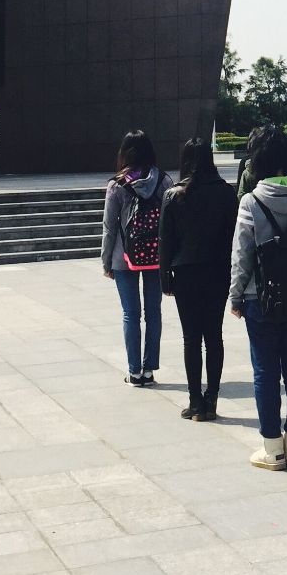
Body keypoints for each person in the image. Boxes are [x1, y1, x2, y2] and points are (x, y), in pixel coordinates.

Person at [230, 127, 287, 470]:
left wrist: (235, 296)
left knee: (265, 372)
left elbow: (242, 256)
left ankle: (272, 449)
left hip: (260, 299)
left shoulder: (250, 201)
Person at [160, 137, 238, 420]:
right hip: (218, 270)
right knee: (214, 336)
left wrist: (164, 278)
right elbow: (234, 237)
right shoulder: (226, 193)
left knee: (191, 338)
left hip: (186, 271)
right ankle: (212, 398)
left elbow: (165, 240)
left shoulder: (174, 195)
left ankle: (195, 401)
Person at [101, 130, 169, 387]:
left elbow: (109, 227)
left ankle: (134, 372)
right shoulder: (163, 181)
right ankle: (149, 370)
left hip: (124, 256)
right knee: (153, 312)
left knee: (131, 314)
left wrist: (106, 261)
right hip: (156, 255)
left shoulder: (117, 185)